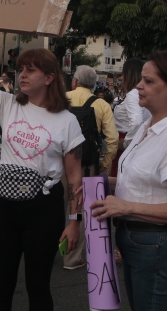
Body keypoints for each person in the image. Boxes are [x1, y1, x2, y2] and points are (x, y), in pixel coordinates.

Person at [0, 19, 84, 311]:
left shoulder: (67, 121)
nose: (22, 75)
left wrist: (74, 221)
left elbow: (75, 177)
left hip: (44, 210)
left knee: (38, 287)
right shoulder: (8, 104)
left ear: (50, 77)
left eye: (31, 70)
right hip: (4, 207)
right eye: (21, 69)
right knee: (0, 287)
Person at [90, 51, 167, 310]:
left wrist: (127, 207)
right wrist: (104, 183)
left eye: (149, 81)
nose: (139, 86)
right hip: (135, 239)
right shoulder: (148, 126)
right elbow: (143, 182)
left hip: (155, 243)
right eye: (142, 79)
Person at [63, 65, 118, 270]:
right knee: (82, 210)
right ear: (94, 85)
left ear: (75, 81)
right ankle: (73, 257)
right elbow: (111, 140)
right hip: (87, 165)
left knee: (56, 205)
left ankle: (48, 248)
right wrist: (104, 163)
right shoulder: (102, 104)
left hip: (59, 162)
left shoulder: (62, 98)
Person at [111, 58, 148, 178]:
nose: (121, 78)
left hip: (127, 138)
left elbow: (137, 121)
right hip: (141, 139)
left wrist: (127, 142)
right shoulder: (145, 94)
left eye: (123, 73)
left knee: (119, 178)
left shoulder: (133, 94)